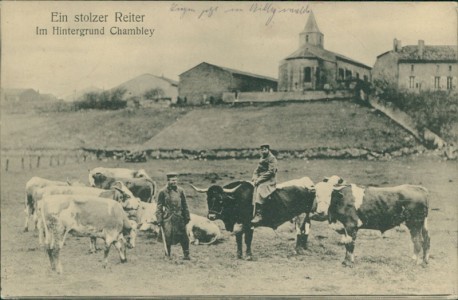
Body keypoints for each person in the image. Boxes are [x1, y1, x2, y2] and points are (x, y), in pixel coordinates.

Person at [155, 172, 191, 260]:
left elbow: (185, 204)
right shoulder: (162, 192)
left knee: (184, 237)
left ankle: (186, 255)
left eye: (175, 180)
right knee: (167, 237)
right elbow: (159, 207)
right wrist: (159, 220)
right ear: (168, 181)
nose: (174, 182)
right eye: (172, 180)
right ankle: (168, 255)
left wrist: (187, 216)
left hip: (179, 217)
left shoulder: (181, 191)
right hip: (168, 218)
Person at [251, 144, 278, 225]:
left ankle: (259, 214)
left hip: (269, 179)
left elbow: (271, 172)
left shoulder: (272, 158)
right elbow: (257, 169)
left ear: (268, 149)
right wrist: (254, 177)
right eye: (262, 149)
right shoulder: (262, 157)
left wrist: (259, 180)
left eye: (265, 149)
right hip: (261, 178)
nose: (263, 151)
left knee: (260, 190)